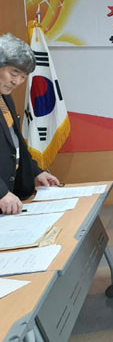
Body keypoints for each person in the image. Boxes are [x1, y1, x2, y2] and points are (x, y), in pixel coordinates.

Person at [0, 33, 60, 215]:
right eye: (13, 73)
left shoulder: (5, 98)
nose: (16, 82)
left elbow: (14, 142)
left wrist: (35, 171)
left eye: (23, 77)